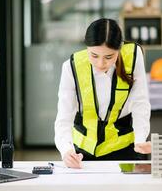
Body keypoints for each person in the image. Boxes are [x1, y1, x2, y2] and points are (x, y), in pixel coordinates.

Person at [55, 18, 151, 168]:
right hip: (82, 153)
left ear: (119, 50)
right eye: (94, 55)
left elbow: (140, 102)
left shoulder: (133, 56)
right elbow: (64, 117)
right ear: (87, 48)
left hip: (124, 149)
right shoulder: (71, 67)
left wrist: (140, 139)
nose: (101, 64)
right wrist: (66, 150)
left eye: (109, 57)